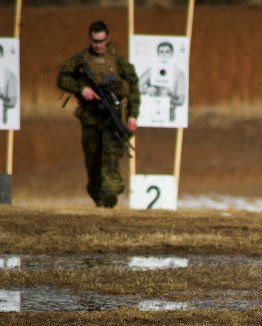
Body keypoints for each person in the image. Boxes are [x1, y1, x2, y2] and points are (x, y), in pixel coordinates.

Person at [57, 20, 140, 208]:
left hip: (112, 118)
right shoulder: (81, 59)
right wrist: (81, 88)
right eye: (95, 41)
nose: (99, 45)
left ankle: (110, 193)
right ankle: (99, 196)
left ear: (107, 38)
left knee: (110, 157)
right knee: (93, 160)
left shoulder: (118, 61)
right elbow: (62, 78)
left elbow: (133, 86)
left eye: (102, 41)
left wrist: (133, 115)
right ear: (90, 39)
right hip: (90, 119)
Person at [138, 41, 186, 123]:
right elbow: (135, 87)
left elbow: (181, 100)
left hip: (169, 114)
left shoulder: (179, 74)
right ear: (158, 54)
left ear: (171, 54)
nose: (164, 54)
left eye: (167, 52)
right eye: (161, 52)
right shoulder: (151, 71)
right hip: (152, 112)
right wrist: (147, 90)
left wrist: (169, 96)